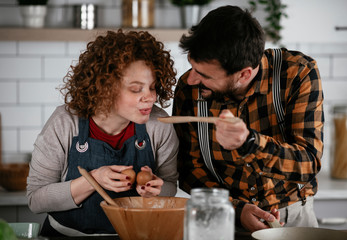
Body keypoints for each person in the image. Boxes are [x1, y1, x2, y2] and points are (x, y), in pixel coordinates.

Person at [172, 5, 324, 232]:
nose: (191, 79)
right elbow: (189, 171)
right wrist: (235, 209)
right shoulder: (188, 89)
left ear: (243, 74)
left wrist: (249, 143)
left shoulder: (297, 74)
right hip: (222, 218)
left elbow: (308, 162)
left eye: (203, 75)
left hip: (292, 219)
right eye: (192, 67)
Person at [27, 29, 179, 236]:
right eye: (136, 89)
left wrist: (157, 190)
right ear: (105, 87)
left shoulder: (159, 124)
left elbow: (170, 187)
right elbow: (35, 200)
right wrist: (93, 180)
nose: (150, 97)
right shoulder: (64, 122)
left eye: (152, 87)